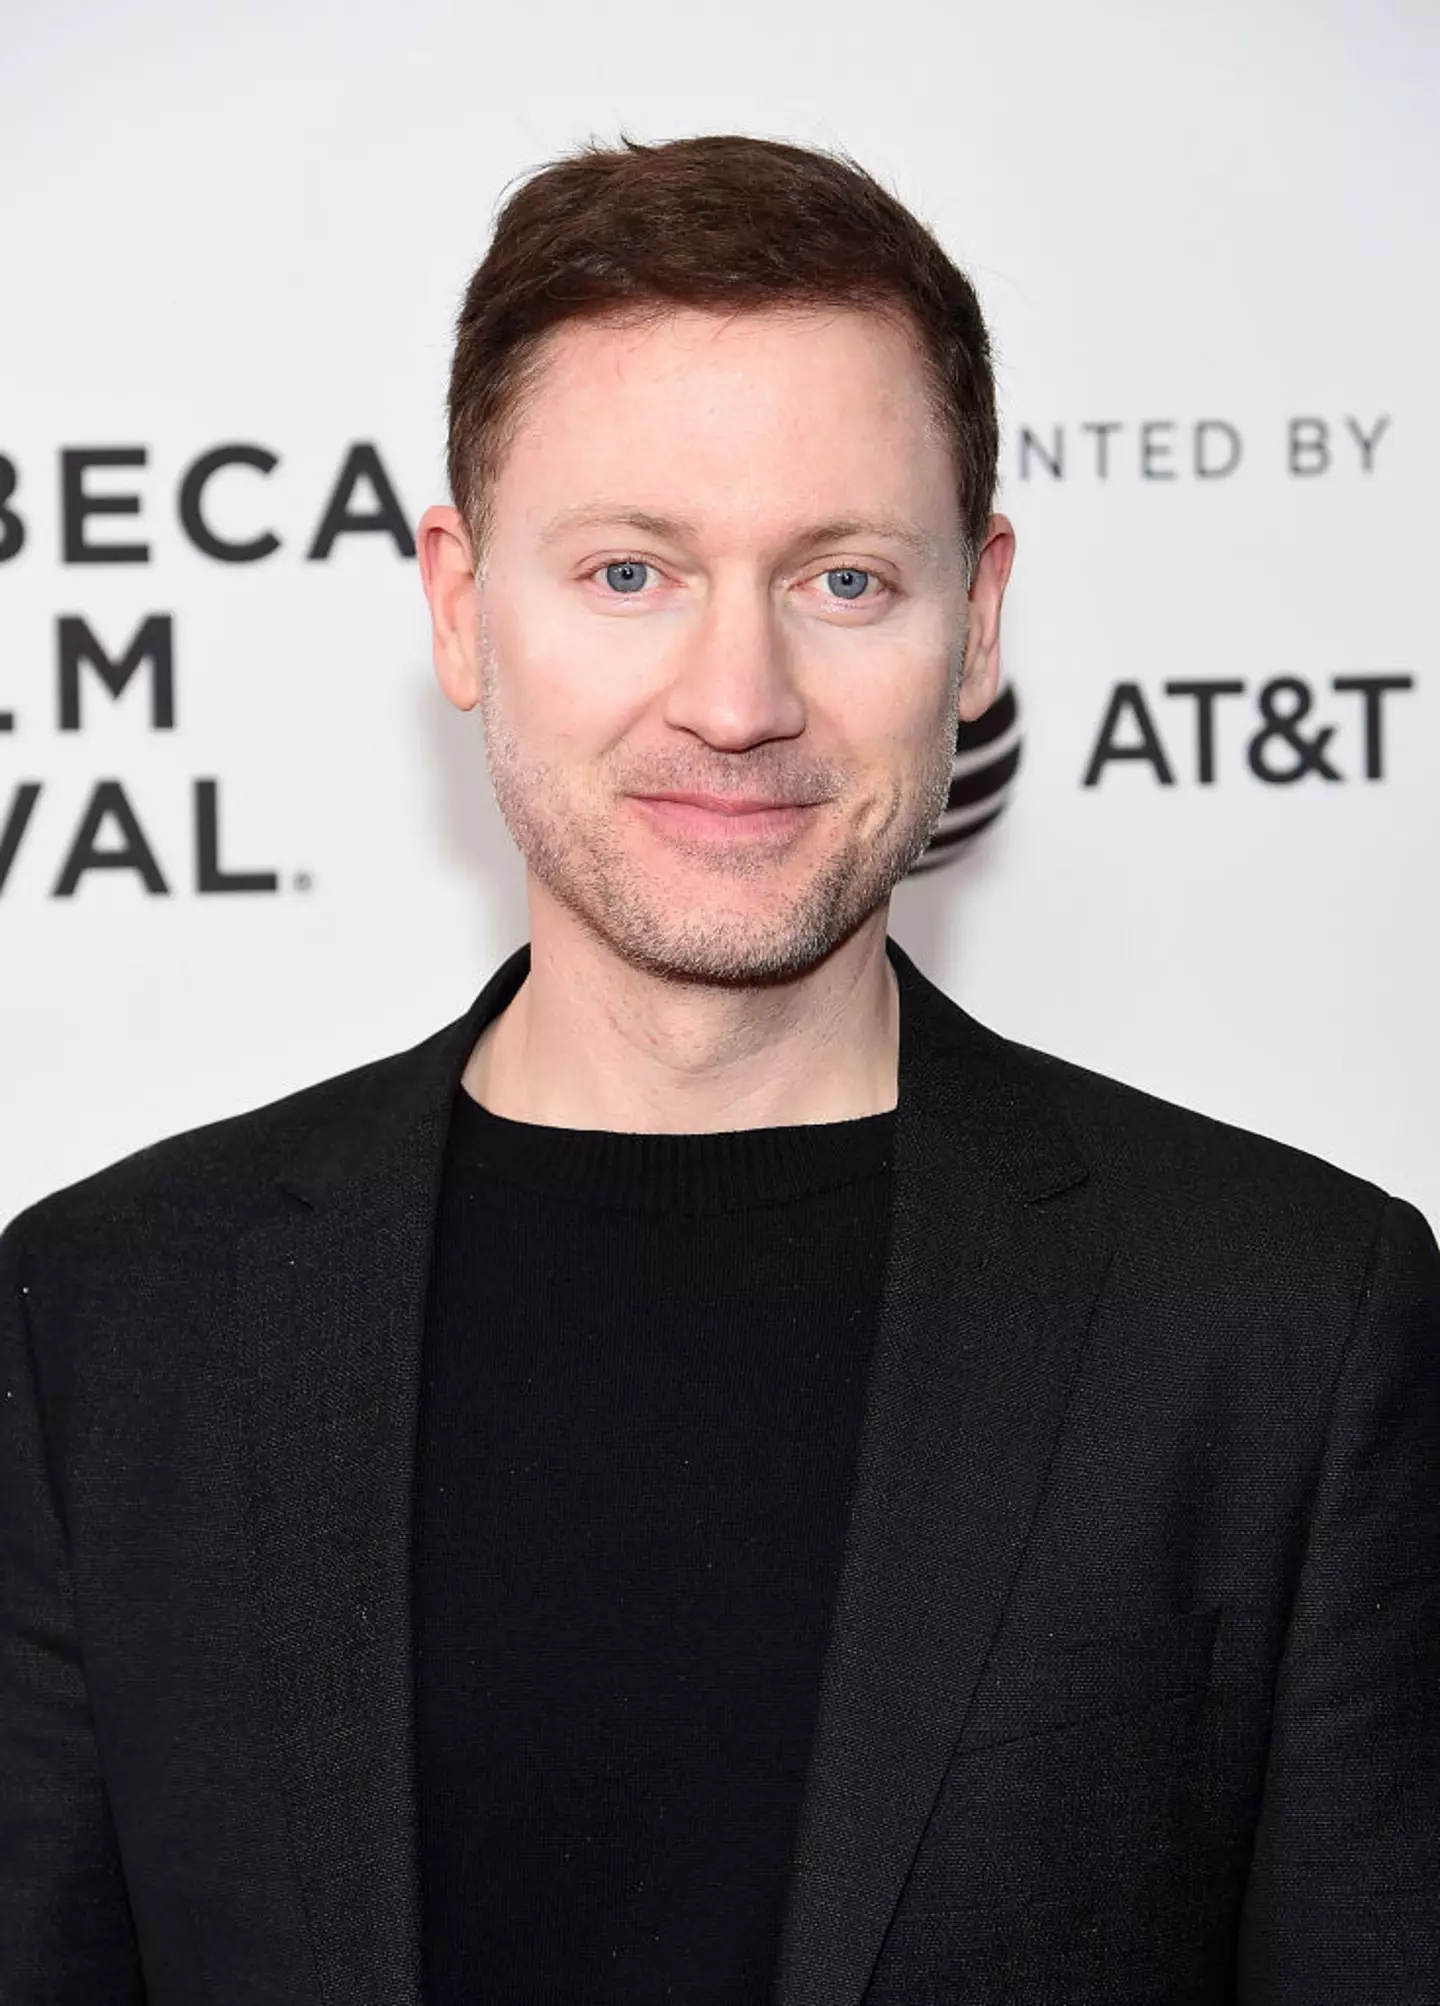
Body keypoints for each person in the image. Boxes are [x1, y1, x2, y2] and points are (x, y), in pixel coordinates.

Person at [2, 131, 1436, 2006]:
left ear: (979, 614)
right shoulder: (105, 1321)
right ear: (455, 602)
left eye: (841, 579)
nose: (737, 699)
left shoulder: (1285, 1327)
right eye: (627, 571)